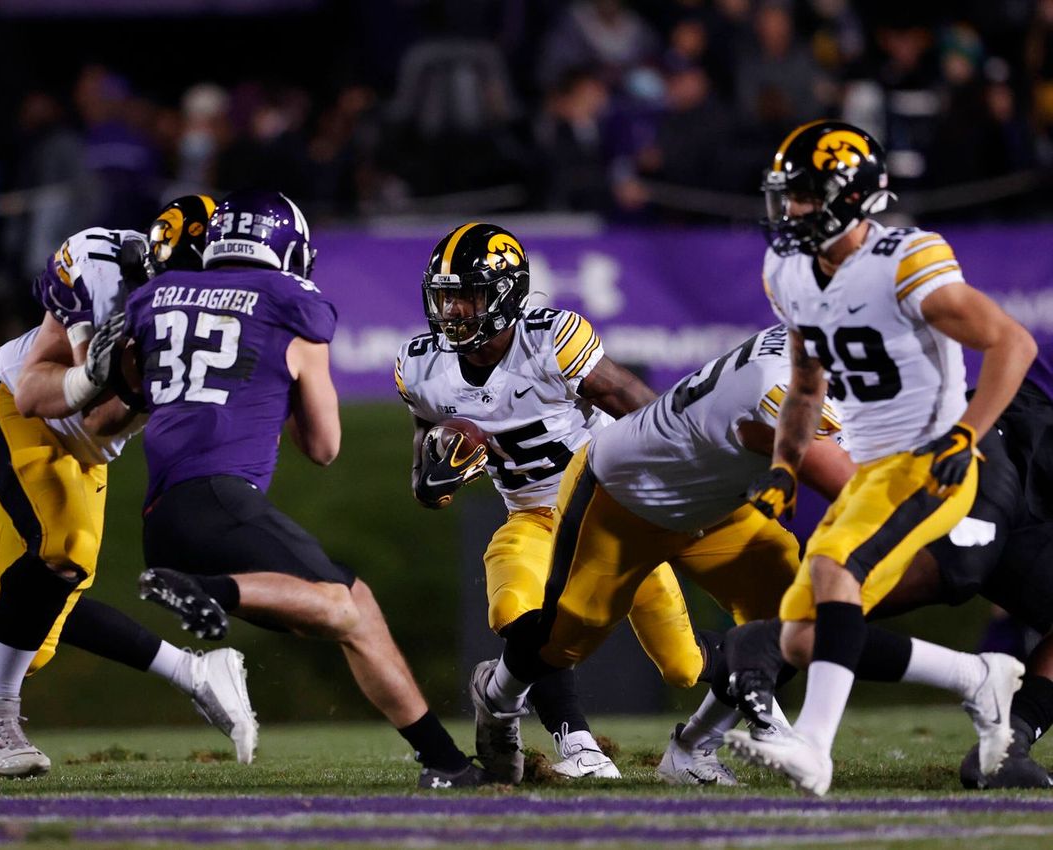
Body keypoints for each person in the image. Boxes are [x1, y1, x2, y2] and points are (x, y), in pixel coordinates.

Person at [0, 197, 256, 791]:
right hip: (11, 407)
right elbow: (36, 395)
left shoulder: (238, 328)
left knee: (32, 630)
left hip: (85, 451)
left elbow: (121, 432)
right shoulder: (102, 266)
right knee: (63, 549)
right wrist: (93, 375)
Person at [129, 190, 487, 789]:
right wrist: (287, 382)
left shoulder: (156, 296)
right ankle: (205, 590)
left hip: (162, 516)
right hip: (219, 498)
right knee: (342, 606)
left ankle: (444, 762)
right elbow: (323, 448)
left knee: (356, 609)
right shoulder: (292, 302)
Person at [724, 120, 1036, 796]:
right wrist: (784, 466)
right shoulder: (787, 271)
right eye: (789, 196)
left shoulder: (905, 259)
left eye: (806, 195)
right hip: (870, 470)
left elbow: (1013, 343)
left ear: (853, 195)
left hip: (928, 458)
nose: (793, 210)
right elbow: (807, 385)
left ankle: (813, 746)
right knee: (804, 638)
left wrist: (967, 434)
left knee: (839, 569)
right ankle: (979, 679)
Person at [396, 221, 715, 782]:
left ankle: (758, 698)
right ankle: (579, 744)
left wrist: (689, 470)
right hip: (533, 516)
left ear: (505, 294)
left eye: (467, 295)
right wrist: (434, 478)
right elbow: (426, 478)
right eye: (445, 296)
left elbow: (642, 409)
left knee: (684, 664)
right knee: (515, 605)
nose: (454, 311)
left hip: (612, 513)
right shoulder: (423, 368)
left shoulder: (549, 339)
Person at [468, 322, 854, 785]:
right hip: (626, 496)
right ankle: (499, 697)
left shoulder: (815, 347)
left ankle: (696, 747)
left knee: (792, 613)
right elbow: (848, 486)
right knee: (563, 637)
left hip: (708, 501)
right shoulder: (781, 383)